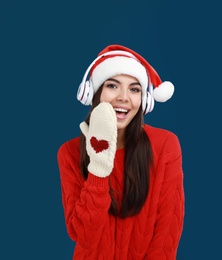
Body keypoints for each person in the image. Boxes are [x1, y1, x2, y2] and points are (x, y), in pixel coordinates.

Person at [57, 44, 185, 259]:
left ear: (144, 100)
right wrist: (98, 168)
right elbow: (83, 236)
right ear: (93, 93)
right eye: (112, 86)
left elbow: (166, 234)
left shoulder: (165, 146)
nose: (124, 97)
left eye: (134, 89)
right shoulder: (69, 152)